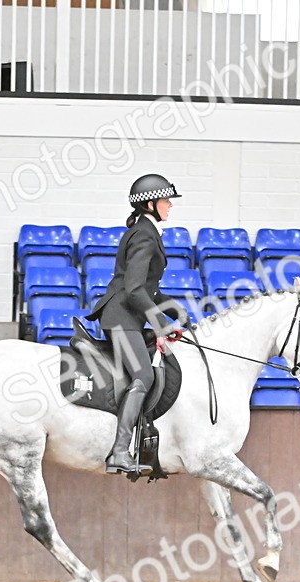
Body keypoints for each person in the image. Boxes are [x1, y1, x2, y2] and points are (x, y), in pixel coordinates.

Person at [86, 173, 187, 475]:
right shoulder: (144, 234)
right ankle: (119, 451)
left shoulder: (147, 231)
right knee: (143, 375)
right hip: (121, 317)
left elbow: (150, 289)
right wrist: (160, 324)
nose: (170, 205)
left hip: (128, 314)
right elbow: (134, 290)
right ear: (151, 204)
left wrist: (177, 312)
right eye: (166, 200)